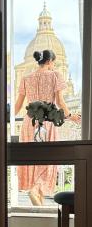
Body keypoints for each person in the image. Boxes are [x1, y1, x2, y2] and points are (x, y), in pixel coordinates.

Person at [15, 50, 81, 206]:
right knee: (48, 159)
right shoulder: (55, 75)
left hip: (29, 123)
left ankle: (39, 202)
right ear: (50, 62)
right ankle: (36, 188)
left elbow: (18, 106)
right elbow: (60, 102)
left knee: (33, 158)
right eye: (54, 63)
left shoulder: (26, 78)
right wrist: (71, 116)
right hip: (47, 122)